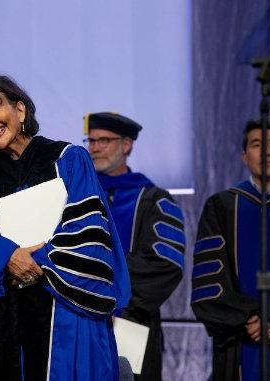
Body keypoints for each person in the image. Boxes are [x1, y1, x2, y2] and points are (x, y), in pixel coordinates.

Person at [0, 75, 130, 380]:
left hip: (66, 308)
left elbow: (90, 232)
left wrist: (34, 261)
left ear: (21, 111)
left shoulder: (68, 160)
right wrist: (7, 255)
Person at [191, 119, 270, 380]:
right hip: (237, 343)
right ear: (245, 156)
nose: (267, 152)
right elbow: (209, 281)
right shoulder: (221, 207)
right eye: (257, 144)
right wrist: (248, 318)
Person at [84, 112, 185, 381]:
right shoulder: (75, 196)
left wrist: (101, 282)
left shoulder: (153, 199)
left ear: (126, 145)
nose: (95, 148)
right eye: (91, 141)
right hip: (80, 321)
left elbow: (164, 263)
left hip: (131, 321)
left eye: (104, 140)